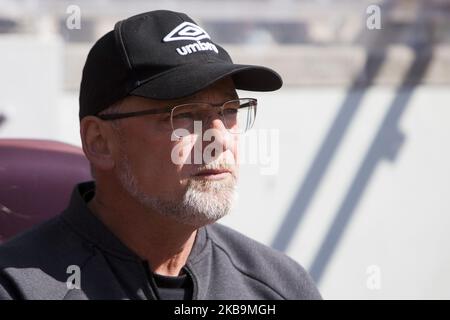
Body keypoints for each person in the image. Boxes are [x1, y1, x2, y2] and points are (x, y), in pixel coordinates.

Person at [0, 10, 321, 300]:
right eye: (184, 115)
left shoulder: (279, 287)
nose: (219, 138)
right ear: (99, 141)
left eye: (230, 110)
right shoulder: (17, 288)